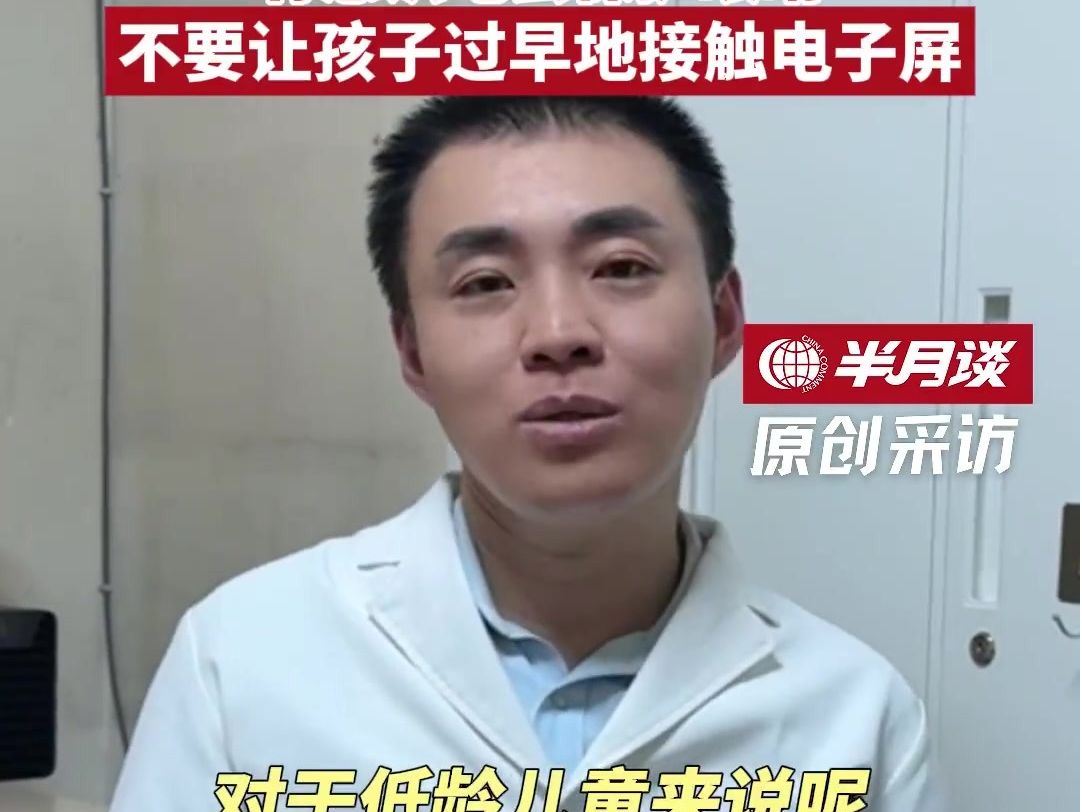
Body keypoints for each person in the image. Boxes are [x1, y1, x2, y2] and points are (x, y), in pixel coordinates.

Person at [108, 96, 947, 811]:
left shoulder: (855, 717)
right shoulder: (244, 662)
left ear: (724, 319)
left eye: (621, 267)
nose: (558, 334)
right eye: (485, 283)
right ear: (413, 352)